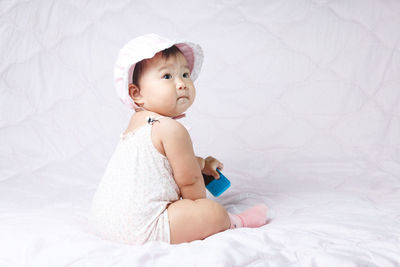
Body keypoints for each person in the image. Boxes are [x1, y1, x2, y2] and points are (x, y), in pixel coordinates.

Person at [88, 33, 268, 245]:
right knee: (212, 212)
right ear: (136, 93)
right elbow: (189, 181)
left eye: (185, 74)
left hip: (104, 222)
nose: (181, 83)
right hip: (143, 229)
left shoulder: (138, 121)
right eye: (167, 77)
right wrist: (200, 212)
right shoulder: (172, 129)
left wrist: (200, 163)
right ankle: (235, 221)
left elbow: (163, 163)